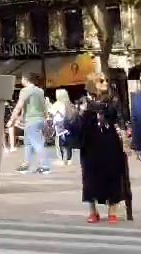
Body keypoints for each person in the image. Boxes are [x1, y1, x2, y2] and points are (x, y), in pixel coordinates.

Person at [77, 73, 128, 223]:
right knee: (90, 176)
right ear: (93, 83)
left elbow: (119, 118)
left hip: (109, 141)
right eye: (101, 81)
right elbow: (81, 120)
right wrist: (88, 110)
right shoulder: (84, 100)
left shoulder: (113, 99)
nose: (105, 82)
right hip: (90, 142)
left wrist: (125, 140)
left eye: (106, 80)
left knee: (113, 173)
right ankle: (93, 211)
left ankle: (113, 211)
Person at [9, 73, 51, 174]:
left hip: (32, 121)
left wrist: (12, 119)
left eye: (22, 79)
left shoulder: (25, 91)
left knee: (37, 144)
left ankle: (45, 166)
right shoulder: (40, 91)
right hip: (39, 119)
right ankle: (26, 164)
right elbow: (43, 106)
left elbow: (19, 105)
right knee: (28, 143)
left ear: (25, 79)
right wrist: (46, 118)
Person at [52, 89, 77, 166]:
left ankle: (63, 159)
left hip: (60, 126)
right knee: (68, 143)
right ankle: (68, 159)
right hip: (68, 126)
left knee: (60, 144)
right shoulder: (69, 104)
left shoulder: (58, 104)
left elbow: (53, 113)